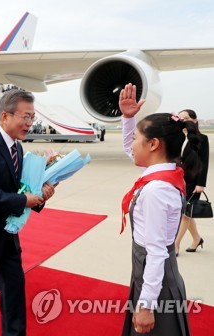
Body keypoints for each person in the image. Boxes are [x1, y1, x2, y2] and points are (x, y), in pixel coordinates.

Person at [0, 89, 56, 335]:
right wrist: (23, 200)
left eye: (32, 117)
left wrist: (40, 197)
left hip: (7, 235)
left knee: (14, 290)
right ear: (5, 116)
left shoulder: (17, 147)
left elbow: (20, 190)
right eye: (25, 117)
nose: (29, 123)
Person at [119, 83, 200, 335]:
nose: (131, 145)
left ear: (153, 145)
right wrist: (128, 120)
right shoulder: (165, 174)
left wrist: (145, 306)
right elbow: (129, 151)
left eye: (136, 140)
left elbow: (155, 252)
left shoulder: (156, 190)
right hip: (151, 278)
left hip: (154, 282)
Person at [175, 109, 209, 255]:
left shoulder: (202, 139)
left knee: (185, 215)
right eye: (180, 118)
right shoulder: (179, 138)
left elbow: (204, 162)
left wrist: (201, 184)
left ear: (195, 120)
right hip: (178, 182)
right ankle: (197, 238)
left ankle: (175, 245)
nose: (184, 120)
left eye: (187, 118)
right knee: (186, 213)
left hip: (193, 183)